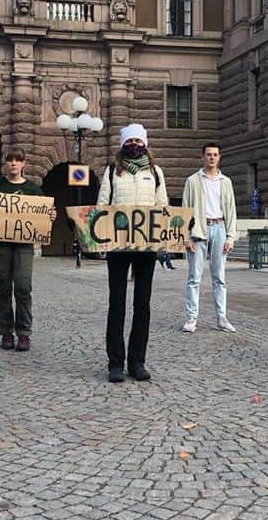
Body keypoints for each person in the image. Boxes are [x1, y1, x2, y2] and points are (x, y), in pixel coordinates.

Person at [98, 123, 168, 383]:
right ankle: (115, 362)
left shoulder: (156, 173)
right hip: (118, 246)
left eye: (139, 141)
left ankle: (137, 361)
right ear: (123, 145)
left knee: (143, 305)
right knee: (116, 304)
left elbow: (162, 207)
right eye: (130, 141)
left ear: (145, 145)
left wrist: (163, 240)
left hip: (145, 246)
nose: (134, 145)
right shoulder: (111, 172)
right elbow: (102, 206)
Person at [0, 147, 55, 353]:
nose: (13, 163)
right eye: (10, 160)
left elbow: (41, 218)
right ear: (5, 163)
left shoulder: (33, 190)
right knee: (3, 287)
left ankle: (24, 333)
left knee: (22, 286)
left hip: (23, 246)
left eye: (17, 160)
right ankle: (5, 332)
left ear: (23, 164)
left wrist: (50, 217)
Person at [181, 142, 238, 333]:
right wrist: (186, 236)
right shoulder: (192, 181)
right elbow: (185, 209)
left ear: (219, 157)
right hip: (199, 229)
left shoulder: (226, 182)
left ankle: (222, 318)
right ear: (202, 157)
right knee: (194, 278)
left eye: (215, 154)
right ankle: (191, 318)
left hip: (220, 227)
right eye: (208, 154)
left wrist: (231, 236)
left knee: (219, 277)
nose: (211, 157)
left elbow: (231, 210)